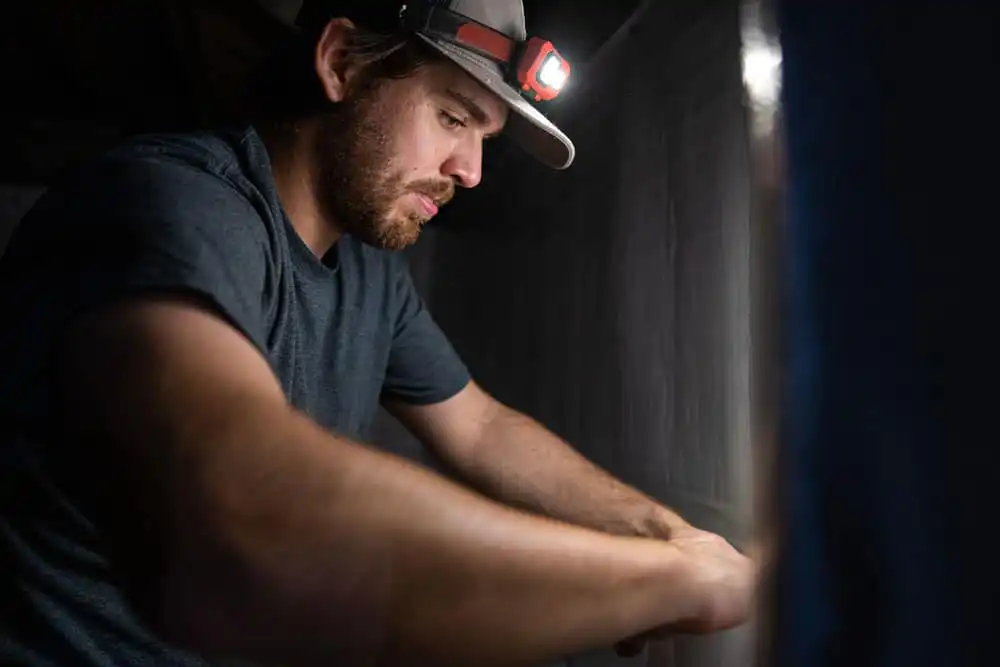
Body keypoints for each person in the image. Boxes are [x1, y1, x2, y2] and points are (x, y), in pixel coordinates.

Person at [0, 1, 754, 665]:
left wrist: (669, 535)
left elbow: (482, 428)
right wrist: (661, 581)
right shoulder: (171, 203)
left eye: (484, 137)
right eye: (453, 117)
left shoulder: (368, 272)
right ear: (340, 63)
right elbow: (246, 508)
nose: (471, 171)